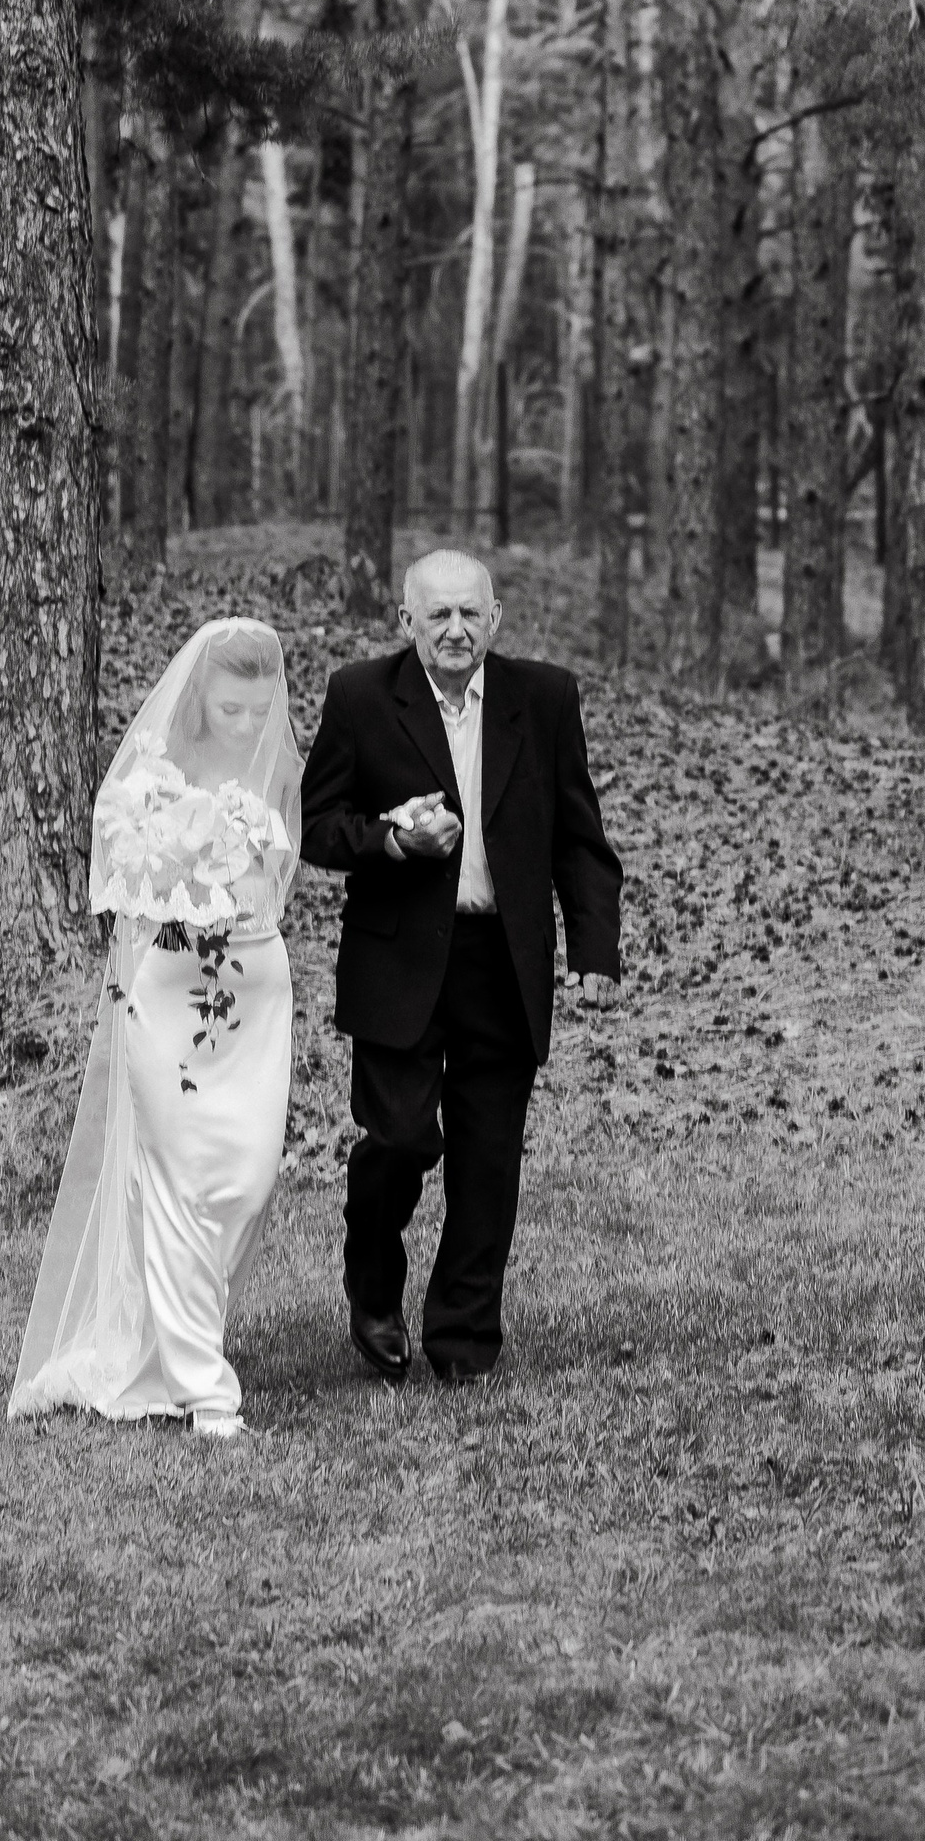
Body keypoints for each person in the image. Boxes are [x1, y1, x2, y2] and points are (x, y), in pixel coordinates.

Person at [300, 548, 623, 1385]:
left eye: (470, 613)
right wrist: (392, 839)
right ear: (405, 621)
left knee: (488, 1159)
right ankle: (373, 1285)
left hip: (502, 961)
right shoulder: (360, 696)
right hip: (398, 959)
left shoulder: (543, 699)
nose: (455, 629)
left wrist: (593, 947)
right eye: (437, 614)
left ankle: (463, 1339)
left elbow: (579, 835)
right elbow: (316, 826)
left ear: (495, 619)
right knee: (400, 1138)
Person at [7, 618, 301, 1440]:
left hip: (256, 993)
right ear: (201, 698)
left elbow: (276, 880)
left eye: (260, 710)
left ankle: (174, 1342)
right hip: (171, 990)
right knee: (178, 1182)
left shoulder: (276, 766)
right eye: (232, 709)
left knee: (246, 1182)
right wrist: (178, 878)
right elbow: (120, 885)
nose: (248, 725)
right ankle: (207, 1392)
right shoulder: (150, 775)